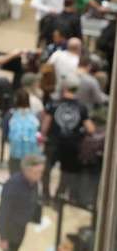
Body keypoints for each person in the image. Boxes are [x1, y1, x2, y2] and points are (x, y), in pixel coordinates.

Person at [42, 75, 96, 203]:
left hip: (53, 142)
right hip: (71, 145)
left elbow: (45, 125)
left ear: (64, 88)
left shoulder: (53, 104)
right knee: (66, 173)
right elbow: (91, 129)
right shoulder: (82, 107)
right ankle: (58, 198)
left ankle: (45, 196)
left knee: (46, 170)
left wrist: (44, 136)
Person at [0, 154, 44, 251]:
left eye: (41, 172)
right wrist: (3, 237)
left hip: (21, 226)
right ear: (27, 170)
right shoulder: (13, 185)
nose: (40, 176)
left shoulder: (34, 183)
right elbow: (2, 212)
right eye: (36, 172)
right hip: (11, 228)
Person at [6, 91, 43, 175]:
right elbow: (39, 134)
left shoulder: (10, 115)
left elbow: (6, 135)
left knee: (15, 176)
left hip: (15, 153)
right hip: (31, 154)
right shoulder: (34, 117)